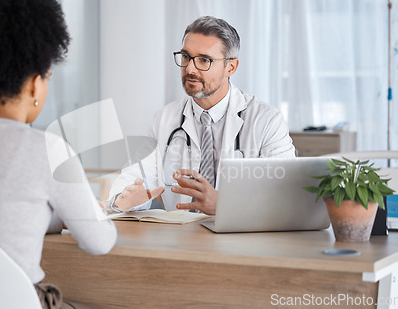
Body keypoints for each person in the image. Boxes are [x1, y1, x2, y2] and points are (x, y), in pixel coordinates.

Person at [0, 0, 117, 308]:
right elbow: (99, 242)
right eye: (47, 79)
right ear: (34, 85)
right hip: (17, 301)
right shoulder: (48, 148)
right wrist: (97, 211)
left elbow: (1, 210)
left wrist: (61, 217)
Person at [107, 16, 295, 215]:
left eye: (204, 60)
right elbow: (134, 176)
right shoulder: (164, 119)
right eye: (186, 57)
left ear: (230, 67)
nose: (189, 69)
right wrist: (125, 199)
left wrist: (224, 206)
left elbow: (287, 197)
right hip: (182, 239)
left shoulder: (267, 121)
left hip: (242, 239)